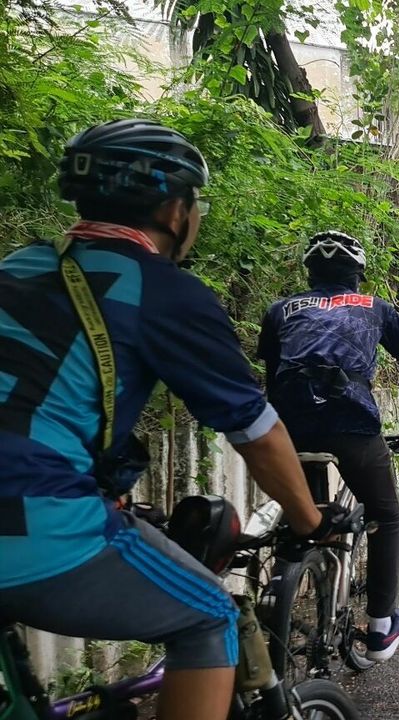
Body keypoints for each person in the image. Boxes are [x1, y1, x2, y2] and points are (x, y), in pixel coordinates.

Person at [0, 119, 332, 720]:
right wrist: (310, 520)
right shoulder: (161, 291)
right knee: (210, 618)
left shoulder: (18, 266)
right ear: (175, 211)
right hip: (33, 522)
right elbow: (257, 433)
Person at [257, 229, 399, 663]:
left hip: (287, 426)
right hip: (351, 422)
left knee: (305, 516)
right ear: (357, 274)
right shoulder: (374, 307)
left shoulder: (280, 310)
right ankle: (380, 627)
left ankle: (287, 591)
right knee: (386, 515)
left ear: (310, 273)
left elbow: (273, 379)